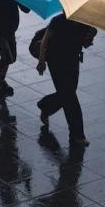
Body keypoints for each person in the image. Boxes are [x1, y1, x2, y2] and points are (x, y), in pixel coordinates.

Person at [36, 14, 97, 147]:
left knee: (68, 93)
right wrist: (41, 61)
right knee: (70, 98)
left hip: (73, 61)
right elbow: (45, 41)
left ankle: (46, 105)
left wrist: (89, 38)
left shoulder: (84, 22)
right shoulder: (57, 21)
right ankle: (77, 135)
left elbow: (84, 44)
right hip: (56, 62)